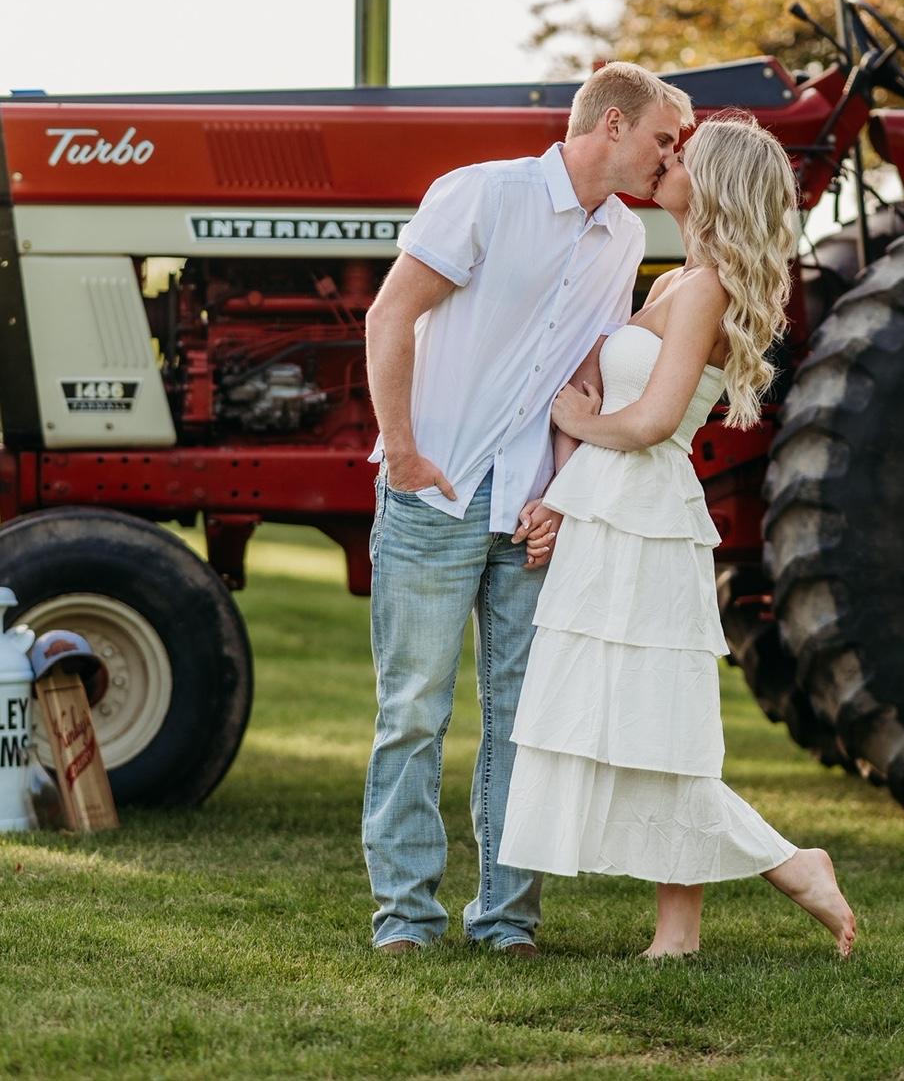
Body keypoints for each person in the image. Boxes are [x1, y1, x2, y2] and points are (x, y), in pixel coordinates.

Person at [498, 112, 857, 959]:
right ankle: (707, 913)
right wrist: (563, 493)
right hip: (611, 507)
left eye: (682, 155)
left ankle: (762, 881)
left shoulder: (705, 289)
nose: (665, 158)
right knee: (615, 719)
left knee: (657, 721)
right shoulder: (672, 282)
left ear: (716, 181)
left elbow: (655, 422)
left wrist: (582, 422)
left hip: (650, 518)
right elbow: (608, 400)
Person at [362, 63, 695, 955]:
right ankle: (405, 918)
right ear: (615, 125)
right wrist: (401, 450)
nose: (671, 157)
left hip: (531, 513)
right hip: (434, 494)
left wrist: (561, 492)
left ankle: (506, 921)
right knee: (415, 710)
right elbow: (389, 317)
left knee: (522, 718)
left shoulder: (624, 239)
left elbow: (586, 380)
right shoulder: (483, 196)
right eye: (664, 139)